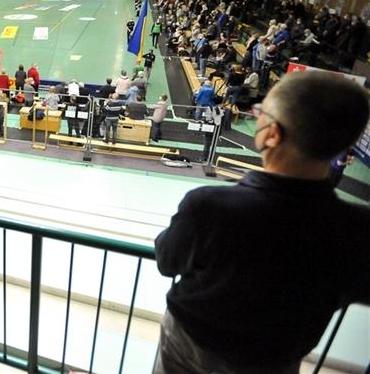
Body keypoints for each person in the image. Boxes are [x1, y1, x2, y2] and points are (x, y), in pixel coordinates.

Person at [154, 72, 370, 373]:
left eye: (261, 112)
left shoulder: (208, 207)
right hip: (276, 360)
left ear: (272, 134)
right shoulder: (358, 230)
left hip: (190, 349)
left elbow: (167, 261)